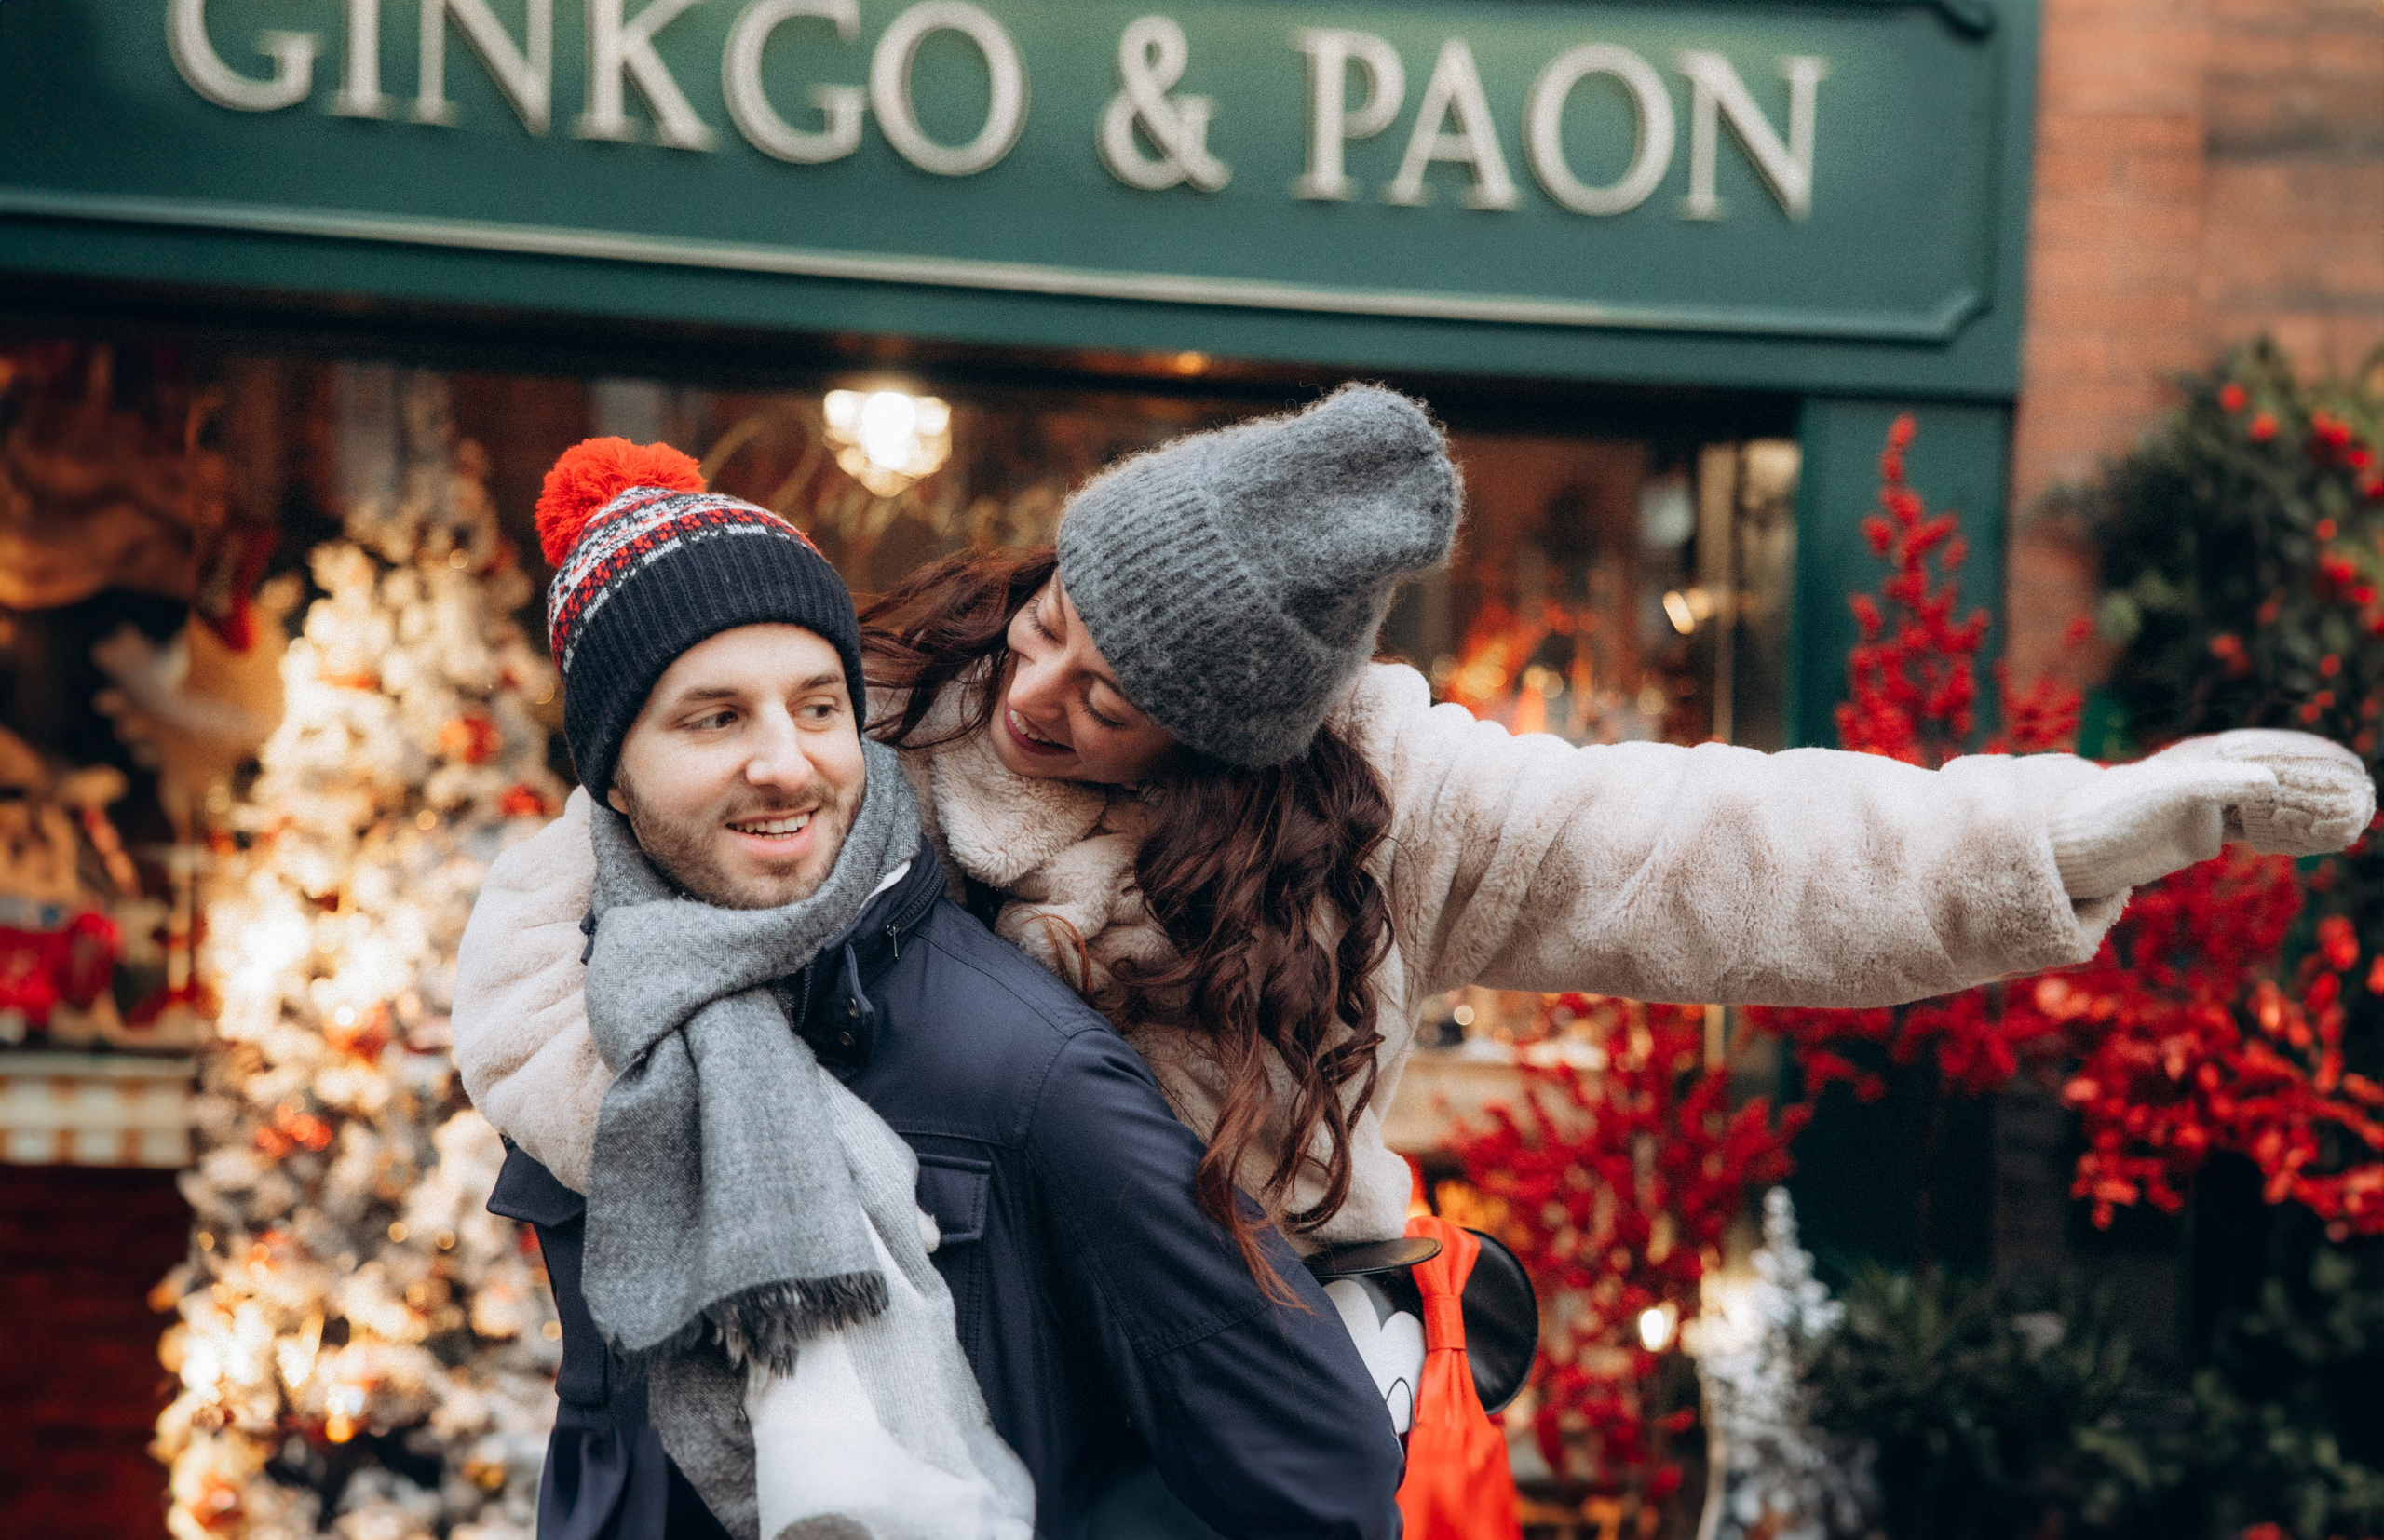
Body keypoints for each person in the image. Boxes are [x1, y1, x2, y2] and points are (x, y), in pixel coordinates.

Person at [461, 385, 2376, 1443]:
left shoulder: (1388, 810)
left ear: (1227, 733)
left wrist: (2085, 828)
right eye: (1052, 620)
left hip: (1207, 1411)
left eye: (1110, 694)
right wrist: (637, 1149)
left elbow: (1738, 846)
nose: (1038, 691)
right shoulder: (879, 709)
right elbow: (576, 885)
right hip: (912, 1386)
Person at [462, 439, 1403, 1540]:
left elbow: (1323, 1473)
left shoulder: (1028, 1067)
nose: (786, 762)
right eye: (715, 718)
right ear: (611, 771)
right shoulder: (606, 1013)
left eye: (819, 708)